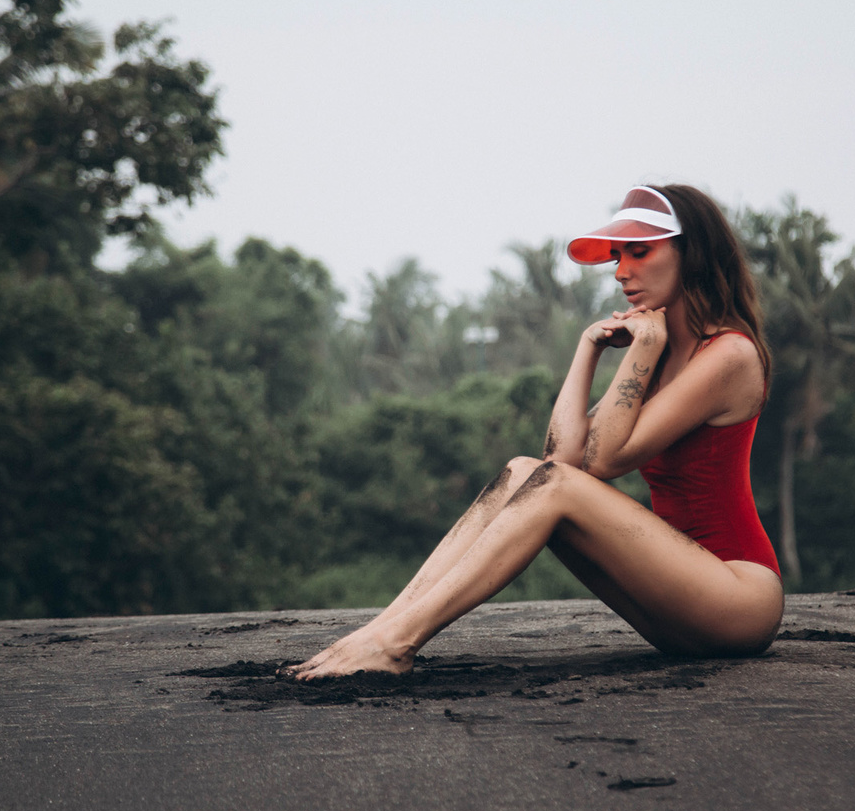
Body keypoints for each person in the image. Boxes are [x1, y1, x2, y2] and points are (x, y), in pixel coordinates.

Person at [287, 184, 782, 679]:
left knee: (551, 485)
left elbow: (605, 462)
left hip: (736, 597)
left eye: (640, 251)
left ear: (691, 252)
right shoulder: (660, 351)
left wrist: (643, 350)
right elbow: (561, 458)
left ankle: (395, 643)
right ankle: (381, 630)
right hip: (673, 600)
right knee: (523, 471)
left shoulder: (729, 355)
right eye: (617, 255)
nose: (620, 271)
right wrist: (587, 349)